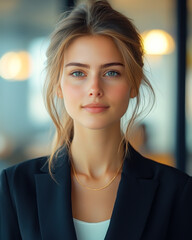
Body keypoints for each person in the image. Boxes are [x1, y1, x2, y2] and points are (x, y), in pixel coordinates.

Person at [0, 0, 192, 239]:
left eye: (111, 72)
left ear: (133, 82)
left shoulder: (176, 191)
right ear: (58, 85)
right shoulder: (15, 186)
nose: (94, 88)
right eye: (78, 73)